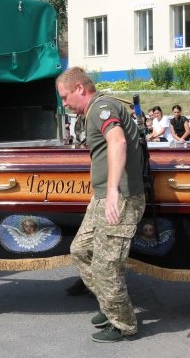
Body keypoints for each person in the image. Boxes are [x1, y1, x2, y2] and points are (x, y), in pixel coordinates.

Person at [55, 67, 146, 343]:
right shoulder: (95, 110)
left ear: (80, 88)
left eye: (65, 96)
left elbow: (117, 142)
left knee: (107, 266)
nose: (64, 103)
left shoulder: (101, 108)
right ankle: (110, 306)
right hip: (102, 198)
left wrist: (113, 191)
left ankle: (123, 324)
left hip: (121, 198)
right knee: (80, 249)